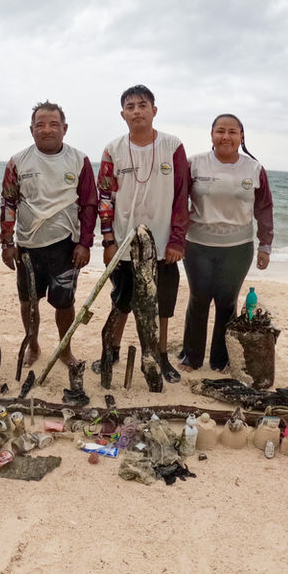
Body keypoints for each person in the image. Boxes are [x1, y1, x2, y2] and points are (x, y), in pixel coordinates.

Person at [97, 84, 188, 383]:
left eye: (142, 105)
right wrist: (108, 240)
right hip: (124, 242)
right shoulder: (113, 149)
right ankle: (111, 352)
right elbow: (105, 197)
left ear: (154, 110)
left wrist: (176, 239)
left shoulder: (172, 146)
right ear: (122, 114)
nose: (137, 111)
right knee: (121, 300)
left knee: (162, 304)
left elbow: (181, 196)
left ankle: (161, 355)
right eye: (131, 106)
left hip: (162, 244)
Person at [0, 100, 97, 367]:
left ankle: (65, 350)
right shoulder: (18, 162)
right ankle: (33, 346)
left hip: (65, 246)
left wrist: (85, 244)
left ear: (64, 128)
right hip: (28, 246)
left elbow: (89, 204)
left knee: (64, 303)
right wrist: (7, 243)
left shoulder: (79, 160)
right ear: (31, 130)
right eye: (40, 125)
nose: (47, 130)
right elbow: (8, 203)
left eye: (54, 124)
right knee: (29, 302)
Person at [180, 113, 273, 372]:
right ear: (211, 135)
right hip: (198, 244)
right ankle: (192, 357)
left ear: (241, 137)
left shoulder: (254, 169)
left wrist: (265, 245)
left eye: (232, 132)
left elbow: (264, 209)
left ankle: (220, 359)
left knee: (227, 302)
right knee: (199, 299)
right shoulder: (194, 163)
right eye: (220, 131)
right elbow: (178, 202)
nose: (226, 136)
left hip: (238, 247)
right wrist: (175, 237)